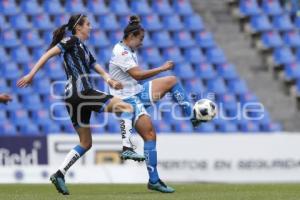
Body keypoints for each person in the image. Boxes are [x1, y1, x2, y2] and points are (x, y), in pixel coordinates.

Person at [17, 14, 134, 195]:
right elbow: (49, 53)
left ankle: (59, 174)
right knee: (127, 107)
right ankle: (127, 148)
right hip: (81, 93)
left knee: (86, 143)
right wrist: (31, 74)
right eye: (88, 24)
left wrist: (109, 80)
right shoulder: (70, 40)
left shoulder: (84, 49)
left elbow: (96, 66)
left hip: (72, 98)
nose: (91, 27)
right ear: (78, 27)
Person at [108, 16, 201, 193]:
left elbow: (135, 80)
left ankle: (193, 116)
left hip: (136, 91)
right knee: (150, 136)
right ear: (132, 36)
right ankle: (154, 180)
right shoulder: (122, 53)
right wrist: (162, 68)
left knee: (172, 81)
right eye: (140, 39)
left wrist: (135, 21)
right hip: (126, 100)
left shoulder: (126, 47)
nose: (142, 43)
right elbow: (138, 75)